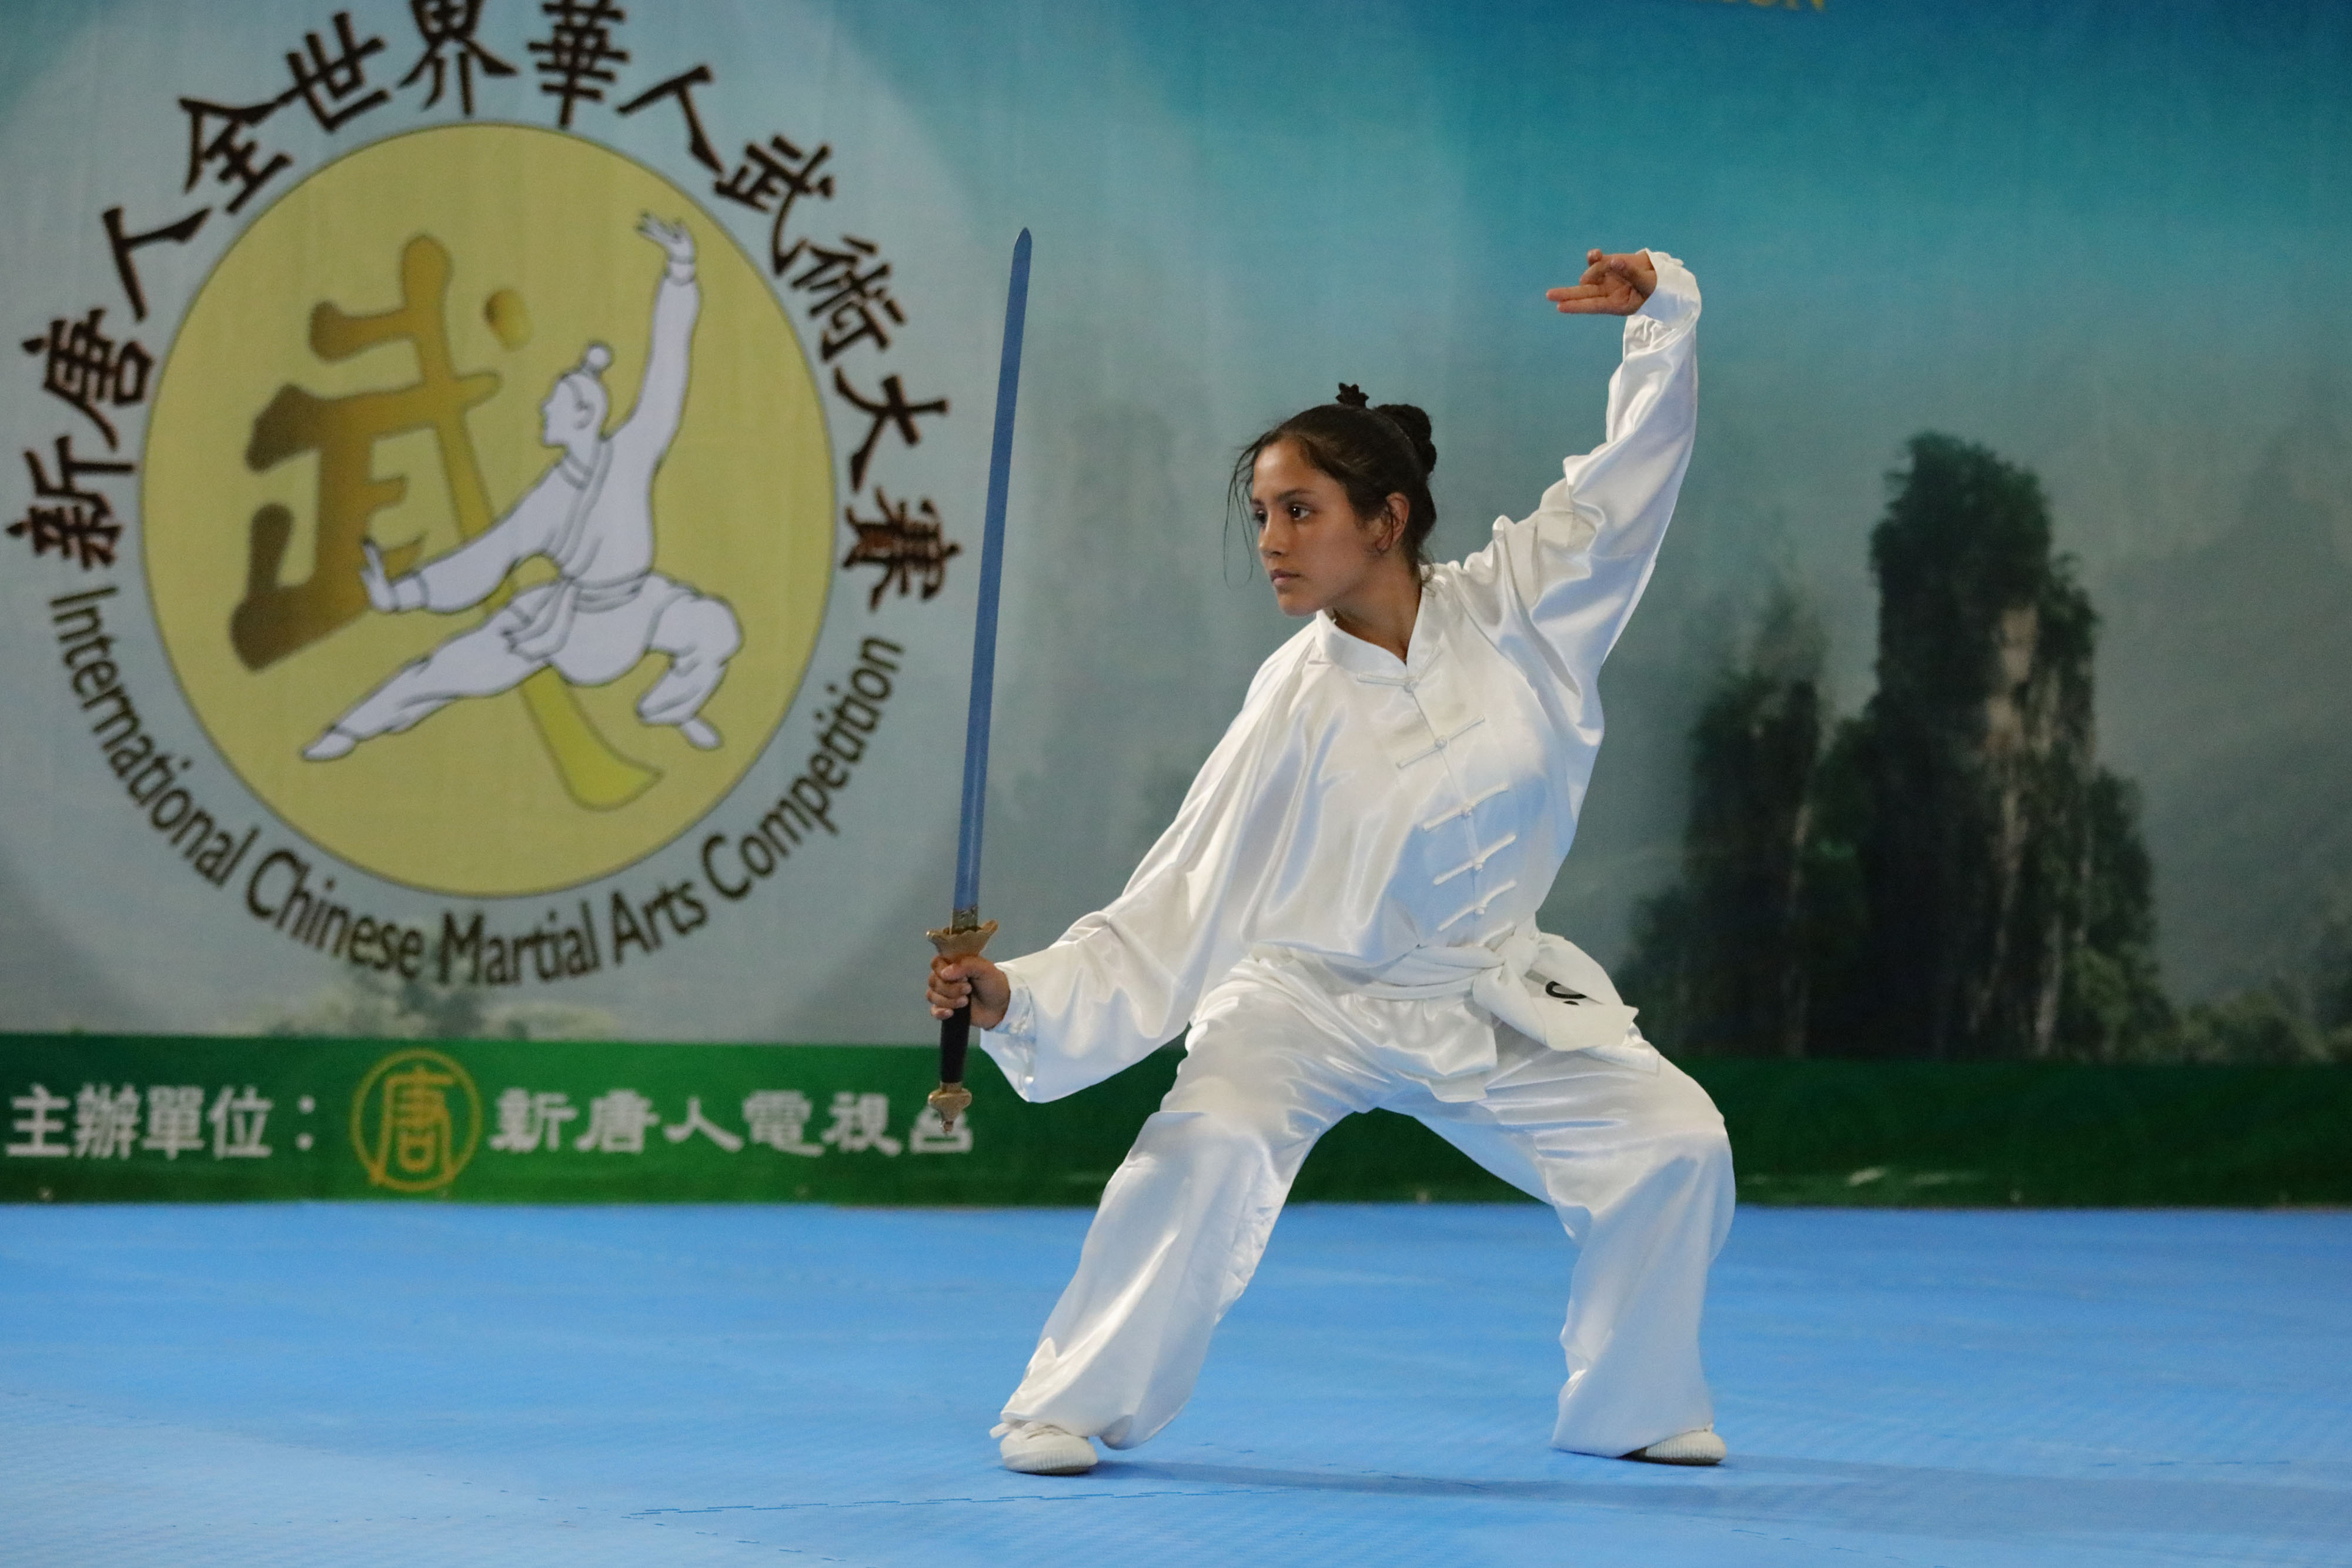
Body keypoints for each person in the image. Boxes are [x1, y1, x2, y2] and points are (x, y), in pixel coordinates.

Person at [928, 247, 1732, 1477]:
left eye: (1298, 510)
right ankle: (1066, 1403)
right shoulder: (1292, 700)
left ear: (1387, 519)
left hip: (1483, 987)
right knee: (1205, 1146)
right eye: (1260, 514)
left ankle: (1630, 1404)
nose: (1270, 540)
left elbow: (1631, 483)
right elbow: (1181, 898)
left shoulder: (1521, 607)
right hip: (1308, 1000)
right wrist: (1014, 996)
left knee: (1676, 1141)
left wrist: (1661, 317)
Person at [301, 215, 743, 763]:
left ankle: (671, 707)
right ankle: (350, 729)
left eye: (553, 402)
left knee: (715, 629)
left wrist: (680, 273)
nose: (543, 409)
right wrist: (404, 595)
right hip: (571, 622)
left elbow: (667, 371)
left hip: (643, 604)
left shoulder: (632, 452)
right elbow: (488, 558)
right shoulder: (552, 497)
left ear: (582, 414)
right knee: (447, 669)